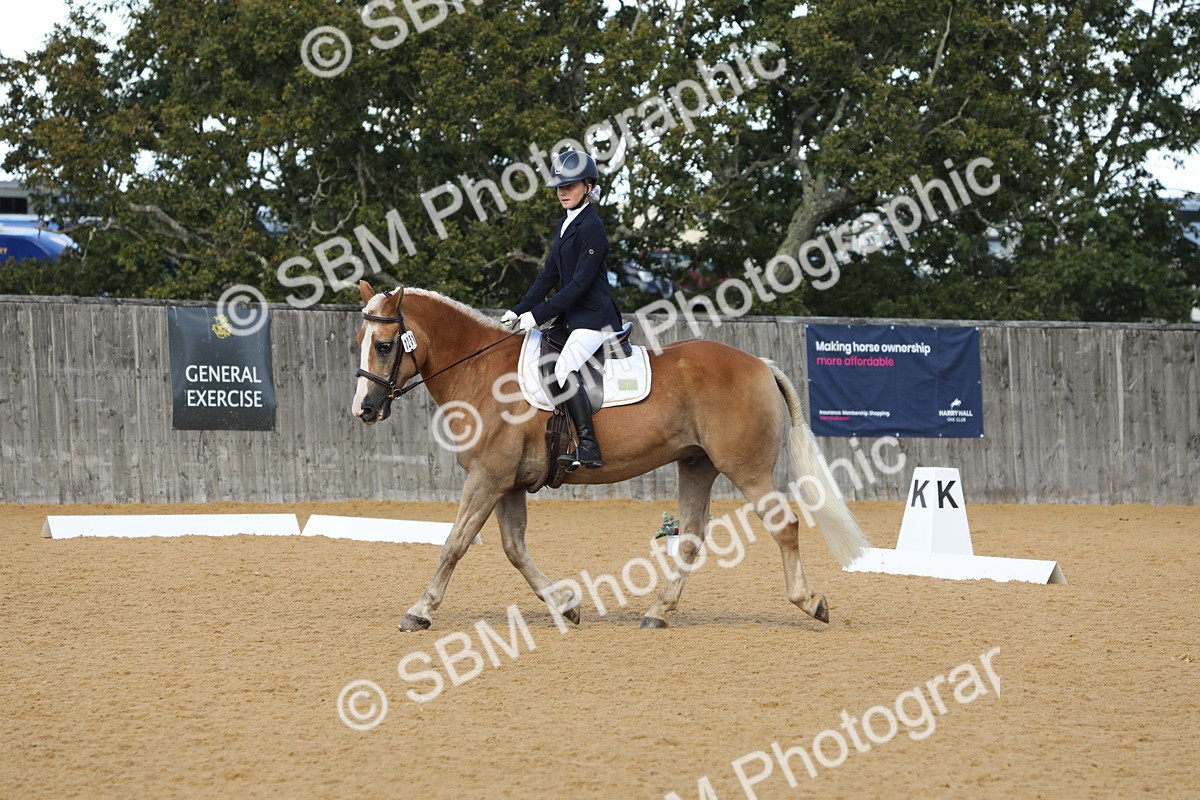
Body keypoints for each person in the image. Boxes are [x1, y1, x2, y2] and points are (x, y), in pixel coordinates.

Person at [501, 149, 622, 470]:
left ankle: (589, 446)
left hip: (594, 319)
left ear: (588, 186)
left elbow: (579, 286)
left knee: (564, 368)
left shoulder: (592, 226)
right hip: (573, 319)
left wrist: (537, 316)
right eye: (559, 187)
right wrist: (519, 309)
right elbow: (549, 276)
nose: (563, 192)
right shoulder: (565, 223)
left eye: (570, 186)